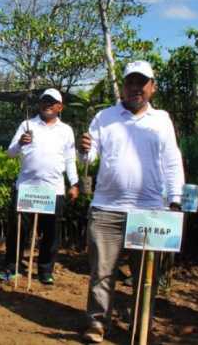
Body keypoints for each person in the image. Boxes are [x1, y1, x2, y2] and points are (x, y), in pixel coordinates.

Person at [78, 61, 184, 343]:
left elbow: (172, 161)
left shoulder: (162, 119)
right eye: (130, 83)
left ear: (152, 87)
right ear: (123, 86)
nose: (135, 88)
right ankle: (97, 323)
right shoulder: (104, 117)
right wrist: (84, 150)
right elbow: (90, 157)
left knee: (145, 276)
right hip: (107, 208)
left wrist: (175, 199)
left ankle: (141, 325)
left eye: (142, 82)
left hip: (150, 210)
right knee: (101, 272)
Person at [0, 88, 79, 285]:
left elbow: (70, 159)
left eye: (52, 102)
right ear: (39, 104)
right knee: (18, 231)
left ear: (60, 107)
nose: (48, 105)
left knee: (50, 233)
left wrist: (74, 183)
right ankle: (11, 267)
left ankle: (45, 270)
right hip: (25, 188)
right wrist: (21, 144)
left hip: (53, 189)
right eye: (44, 101)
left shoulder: (66, 130)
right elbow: (10, 153)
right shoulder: (27, 125)